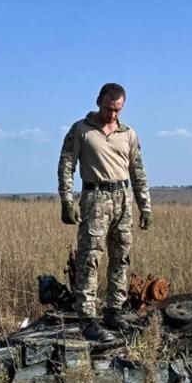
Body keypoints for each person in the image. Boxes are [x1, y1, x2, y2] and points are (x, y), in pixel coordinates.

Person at [58, 83, 152, 338]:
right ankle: (87, 318)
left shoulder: (128, 133)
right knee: (90, 258)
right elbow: (67, 165)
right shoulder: (82, 130)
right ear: (99, 101)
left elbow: (138, 172)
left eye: (118, 110)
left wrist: (145, 207)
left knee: (121, 257)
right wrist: (67, 200)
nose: (113, 114)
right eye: (109, 108)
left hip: (124, 198)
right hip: (95, 198)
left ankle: (114, 311)